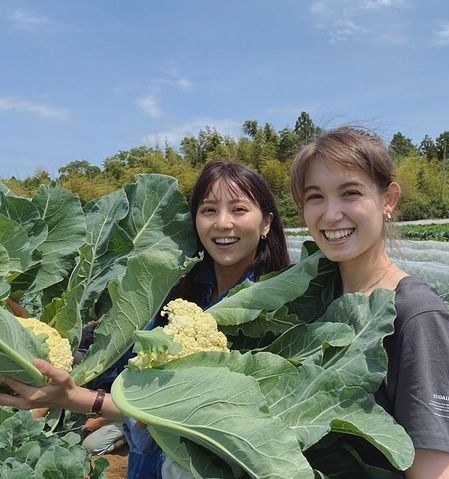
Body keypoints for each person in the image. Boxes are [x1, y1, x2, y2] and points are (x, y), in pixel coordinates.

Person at [0, 160, 290, 478]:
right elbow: (123, 367)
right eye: (209, 210)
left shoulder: (279, 313)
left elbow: (172, 409)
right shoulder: (172, 286)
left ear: (266, 223)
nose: (222, 223)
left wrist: (76, 398)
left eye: (238, 210)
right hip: (144, 463)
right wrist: (63, 356)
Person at [290, 126, 449, 478]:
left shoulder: (419, 319)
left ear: (388, 199)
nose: (330, 215)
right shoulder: (317, 300)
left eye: (350, 193)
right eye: (315, 197)